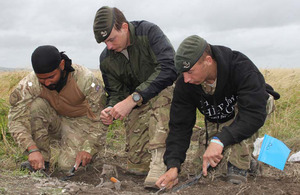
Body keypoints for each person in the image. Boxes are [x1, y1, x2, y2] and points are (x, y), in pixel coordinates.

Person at [156, 35, 280, 189]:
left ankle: (240, 162)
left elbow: (253, 114)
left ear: (208, 60)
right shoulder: (185, 82)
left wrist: (219, 140)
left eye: (190, 72)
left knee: (232, 170)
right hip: (216, 117)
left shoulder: (241, 67)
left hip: (248, 112)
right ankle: (250, 162)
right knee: (204, 166)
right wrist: (173, 166)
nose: (186, 79)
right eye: (183, 73)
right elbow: (180, 126)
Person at [93, 6, 177, 188]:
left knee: (165, 94)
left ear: (124, 27)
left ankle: (161, 162)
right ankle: (153, 159)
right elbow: (116, 92)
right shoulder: (106, 59)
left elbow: (170, 68)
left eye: (111, 39)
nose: (109, 47)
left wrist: (133, 99)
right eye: (104, 43)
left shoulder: (148, 32)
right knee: (137, 165)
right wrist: (111, 108)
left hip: (165, 96)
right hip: (140, 105)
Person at [8, 45, 107, 172]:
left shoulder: (85, 79)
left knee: (67, 167)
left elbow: (101, 118)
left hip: (81, 123)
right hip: (56, 119)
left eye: (51, 77)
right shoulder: (31, 83)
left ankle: (89, 156)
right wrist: (31, 149)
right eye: (41, 79)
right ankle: (42, 162)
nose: (47, 83)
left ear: (61, 65)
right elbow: (15, 119)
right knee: (36, 106)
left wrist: (88, 148)